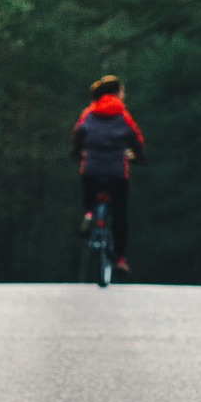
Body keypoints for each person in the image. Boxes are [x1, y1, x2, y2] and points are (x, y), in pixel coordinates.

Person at [71, 75, 145, 276]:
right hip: (116, 171)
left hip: (92, 168)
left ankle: (88, 214)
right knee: (120, 216)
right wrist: (139, 156)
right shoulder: (122, 115)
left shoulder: (89, 113)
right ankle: (119, 259)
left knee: (89, 189)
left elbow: (78, 134)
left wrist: (77, 153)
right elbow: (136, 140)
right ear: (116, 93)